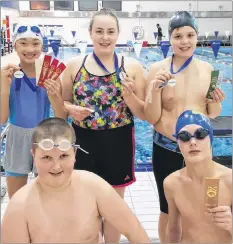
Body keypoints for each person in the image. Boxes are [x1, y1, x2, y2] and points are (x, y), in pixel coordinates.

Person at [61, 8, 146, 243]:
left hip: (118, 140)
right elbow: (63, 101)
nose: (105, 37)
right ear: (90, 33)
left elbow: (143, 113)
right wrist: (70, 108)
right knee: (84, 203)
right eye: (99, 31)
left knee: (114, 205)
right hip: (83, 140)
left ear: (118, 34)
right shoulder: (74, 65)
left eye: (110, 31)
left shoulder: (133, 67)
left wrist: (130, 96)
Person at [1, 117, 151, 244]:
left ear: (74, 153)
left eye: (63, 156)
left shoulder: (94, 187)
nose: (56, 166)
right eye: (47, 157)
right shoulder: (20, 207)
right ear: (33, 155)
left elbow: (136, 232)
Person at [144, 11, 225, 242]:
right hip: (167, 147)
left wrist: (216, 101)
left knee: (209, 201)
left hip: (201, 148)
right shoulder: (157, 69)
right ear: (169, 38)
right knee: (167, 208)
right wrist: (155, 90)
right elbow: (151, 117)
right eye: (178, 36)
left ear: (196, 37)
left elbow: (213, 114)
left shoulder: (209, 70)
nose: (185, 41)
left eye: (190, 35)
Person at [1, 24, 67, 199]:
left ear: (42, 47)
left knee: (46, 197)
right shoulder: (7, 76)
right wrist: (4, 87)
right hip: (16, 137)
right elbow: (2, 119)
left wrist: (54, 95)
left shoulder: (50, 74)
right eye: (23, 43)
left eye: (35, 44)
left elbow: (61, 117)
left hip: (43, 137)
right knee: (16, 199)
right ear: (14, 46)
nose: (30, 49)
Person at [164, 110, 232, 243]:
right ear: (178, 143)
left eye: (200, 134)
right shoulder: (172, 183)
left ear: (211, 139)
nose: (193, 142)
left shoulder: (230, 180)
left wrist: (231, 225)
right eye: (184, 136)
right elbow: (173, 229)